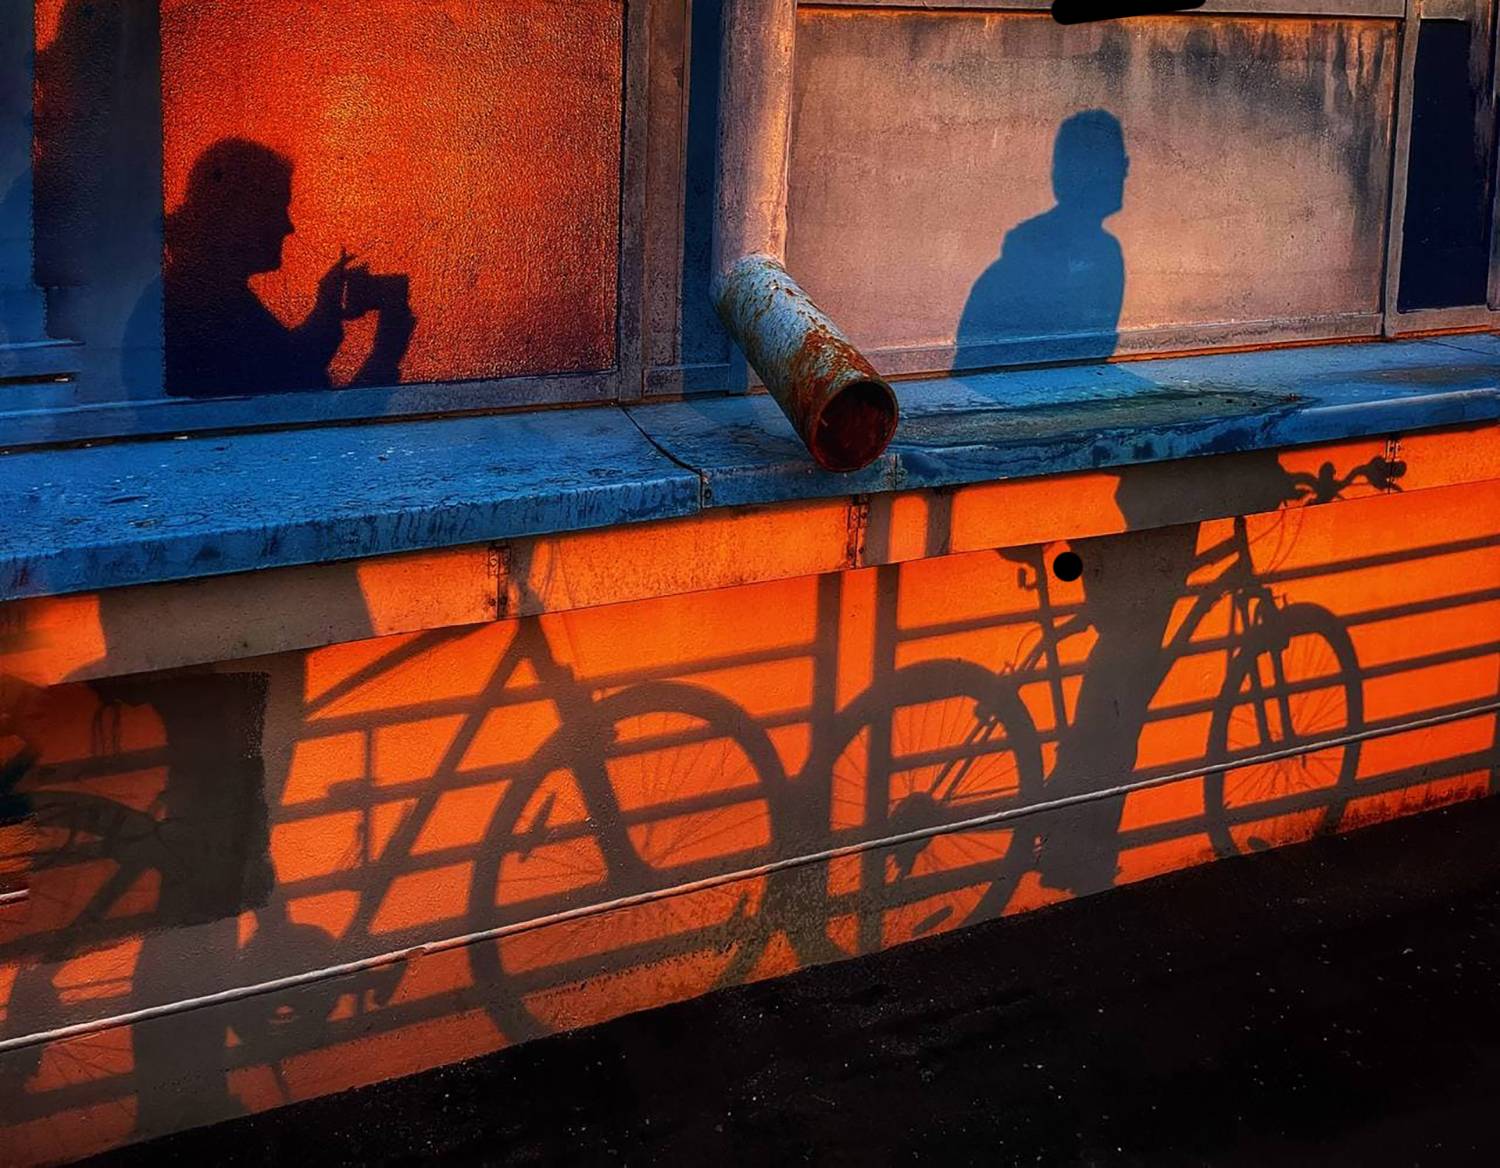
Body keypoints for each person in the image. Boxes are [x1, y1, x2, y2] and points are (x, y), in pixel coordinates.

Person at [164, 138, 413, 397]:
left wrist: (327, 308)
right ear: (240, 215)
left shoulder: (204, 291)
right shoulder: (202, 306)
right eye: (276, 210)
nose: (288, 227)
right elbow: (301, 399)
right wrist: (386, 354)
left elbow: (285, 363)